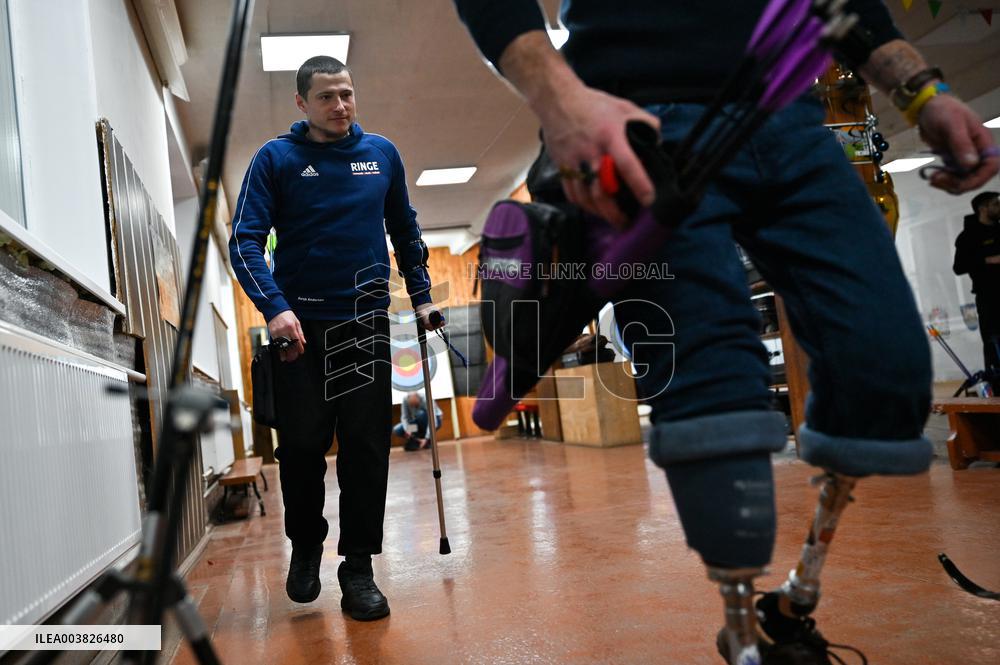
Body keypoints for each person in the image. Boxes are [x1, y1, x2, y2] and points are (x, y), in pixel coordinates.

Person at [452, 1, 998, 663]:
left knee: (884, 371)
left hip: (791, 118)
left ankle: (795, 600)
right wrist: (560, 101)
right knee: (713, 410)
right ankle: (742, 636)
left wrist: (923, 93)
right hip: (639, 123)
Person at [228, 55, 442, 621]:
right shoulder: (276, 159)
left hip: (365, 323)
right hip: (298, 329)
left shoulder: (382, 155)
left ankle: (359, 568)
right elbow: (245, 241)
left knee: (368, 449)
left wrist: (420, 296)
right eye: (326, 97)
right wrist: (274, 309)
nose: (340, 105)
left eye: (346, 94)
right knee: (301, 448)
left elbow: (406, 230)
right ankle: (305, 546)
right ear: (302, 103)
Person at [953, 191, 1000, 372]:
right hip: (988, 297)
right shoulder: (968, 237)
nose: (999, 207)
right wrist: (988, 260)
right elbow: (958, 267)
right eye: (995, 204)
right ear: (982, 209)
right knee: (993, 340)